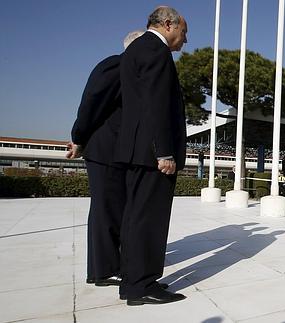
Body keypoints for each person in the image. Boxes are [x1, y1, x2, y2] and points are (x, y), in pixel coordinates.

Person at [114, 6, 187, 305]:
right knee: (149, 220)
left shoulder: (135, 49)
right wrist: (165, 151)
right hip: (152, 153)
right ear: (168, 25)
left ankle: (133, 280)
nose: (185, 40)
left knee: (135, 217)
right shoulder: (157, 52)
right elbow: (156, 106)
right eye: (184, 32)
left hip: (135, 149)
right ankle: (141, 285)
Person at [67, 30, 144, 287]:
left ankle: (115, 263)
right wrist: (79, 138)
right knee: (106, 210)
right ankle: (103, 270)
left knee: (117, 209)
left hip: (120, 152)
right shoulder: (116, 66)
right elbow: (91, 104)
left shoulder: (135, 73)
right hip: (106, 150)